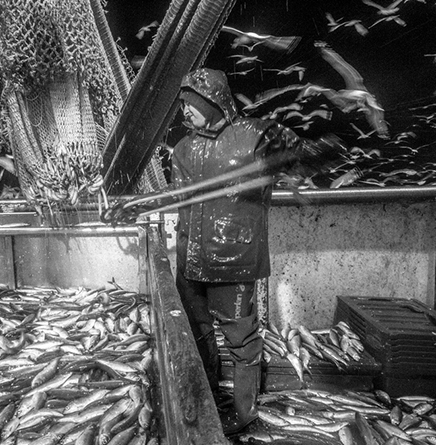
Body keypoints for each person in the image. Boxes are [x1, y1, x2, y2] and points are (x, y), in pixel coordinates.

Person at [103, 67, 345, 435]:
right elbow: (177, 197)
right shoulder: (183, 149)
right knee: (197, 335)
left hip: (234, 263)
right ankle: (208, 397)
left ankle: (245, 413)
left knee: (242, 342)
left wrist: (320, 152)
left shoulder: (257, 136)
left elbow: (304, 158)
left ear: (214, 100)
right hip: (191, 261)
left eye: (193, 103)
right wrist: (137, 203)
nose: (185, 111)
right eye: (183, 104)